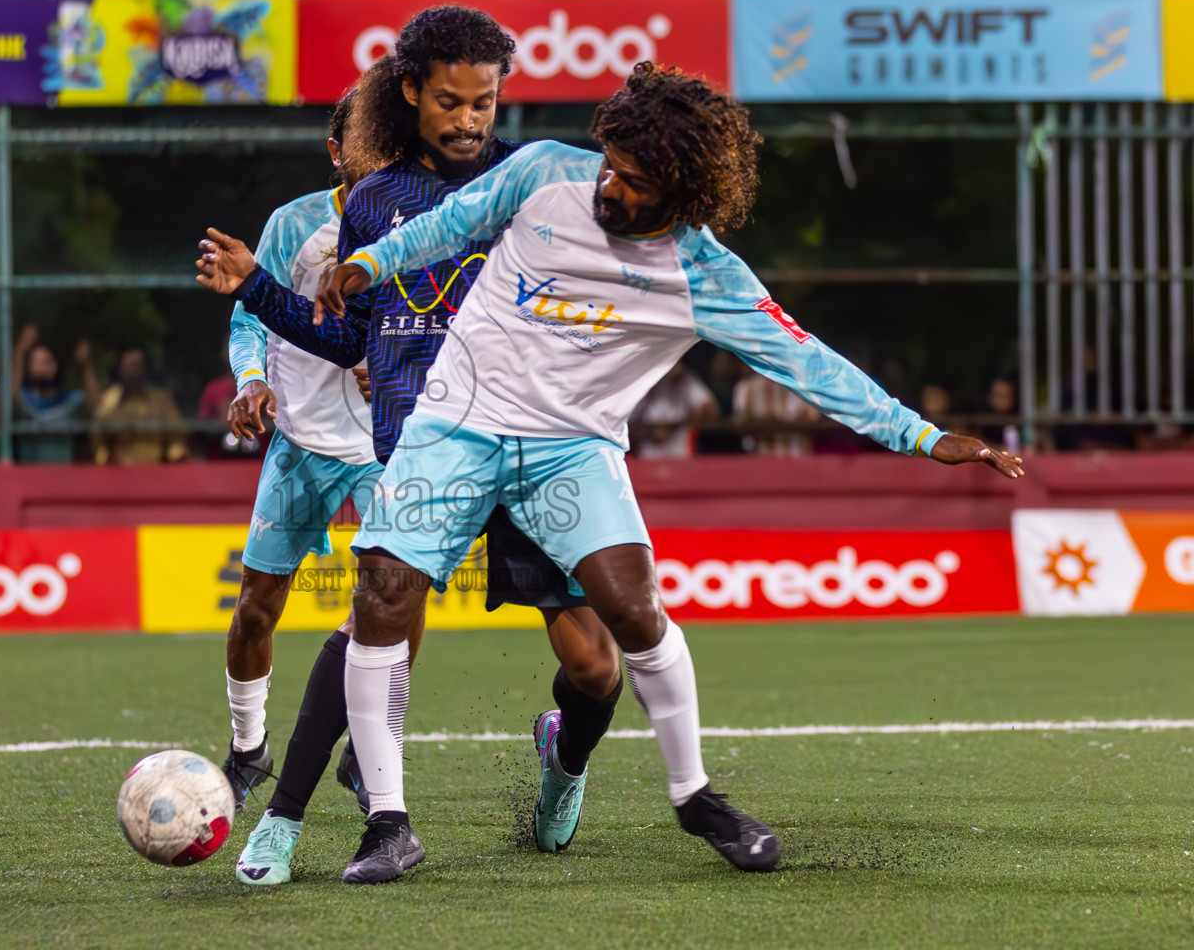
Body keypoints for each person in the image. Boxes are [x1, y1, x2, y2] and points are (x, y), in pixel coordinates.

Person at [206, 61, 1027, 884]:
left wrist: (921, 435)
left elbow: (811, 365)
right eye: (610, 163)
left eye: (632, 181)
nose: (608, 185)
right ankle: (386, 824)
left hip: (568, 448)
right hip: (456, 425)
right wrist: (371, 265)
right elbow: (449, 226)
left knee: (628, 619)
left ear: (683, 196)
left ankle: (692, 794)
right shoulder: (542, 175)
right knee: (381, 594)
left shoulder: (705, 278)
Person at [200, 7, 624, 885]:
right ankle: (297, 820)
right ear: (410, 96)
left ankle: (565, 761)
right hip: (423, 452)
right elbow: (351, 333)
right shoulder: (373, 202)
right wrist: (260, 294)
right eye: (451, 101)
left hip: (533, 445)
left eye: (485, 102)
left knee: (594, 664)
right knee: (371, 616)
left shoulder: (534, 182)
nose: (470, 119)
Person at [212, 92, 385, 860]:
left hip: (386, 449)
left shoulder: (424, 225)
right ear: (335, 151)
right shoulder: (295, 224)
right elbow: (249, 315)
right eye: (365, 138)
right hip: (298, 443)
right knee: (257, 608)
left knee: (391, 607)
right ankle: (250, 747)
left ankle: (363, 743)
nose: (380, 151)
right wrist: (251, 379)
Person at [12, 324, 99, 464]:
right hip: (29, 479)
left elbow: (96, 404)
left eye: (47, 361)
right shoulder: (25, 401)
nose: (42, 367)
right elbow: (13, 396)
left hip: (63, 478)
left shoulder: (70, 401)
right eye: (35, 362)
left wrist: (86, 366)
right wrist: (20, 351)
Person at [92, 348, 188, 465]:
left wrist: (175, 458)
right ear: (119, 369)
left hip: (158, 471)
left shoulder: (162, 399)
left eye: (137, 366)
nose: (133, 372)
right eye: (129, 367)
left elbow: (176, 437)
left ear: (145, 369)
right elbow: (99, 440)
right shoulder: (108, 400)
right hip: (117, 472)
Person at [630, 362, 719, 459]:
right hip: (649, 442)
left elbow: (710, 410)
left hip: (677, 442)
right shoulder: (645, 381)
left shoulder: (687, 382)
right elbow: (631, 419)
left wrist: (675, 426)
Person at [734, 373, 820, 457]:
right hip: (760, 456)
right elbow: (742, 424)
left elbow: (814, 418)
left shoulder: (803, 387)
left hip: (798, 455)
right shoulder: (746, 387)